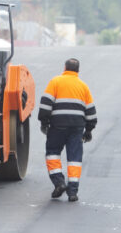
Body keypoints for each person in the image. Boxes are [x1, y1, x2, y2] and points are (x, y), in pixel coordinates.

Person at [38, 58, 97, 202]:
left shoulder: (56, 82)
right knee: (74, 159)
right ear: (78, 70)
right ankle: (73, 193)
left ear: (65, 67)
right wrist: (89, 130)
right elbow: (91, 111)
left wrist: (44, 122)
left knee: (52, 153)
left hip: (57, 125)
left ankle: (59, 183)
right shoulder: (83, 86)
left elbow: (45, 104)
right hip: (77, 127)